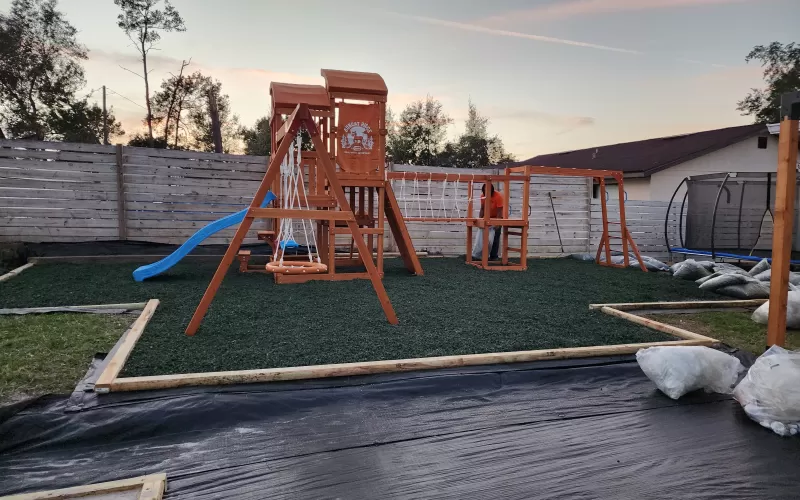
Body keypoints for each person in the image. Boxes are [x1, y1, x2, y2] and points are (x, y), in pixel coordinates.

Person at [479, 182, 504, 260]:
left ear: (492, 190)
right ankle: (481, 255)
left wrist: (498, 223)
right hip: (487, 218)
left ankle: (494, 256)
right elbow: (482, 208)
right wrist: (480, 220)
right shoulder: (482, 196)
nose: (486, 192)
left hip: (497, 217)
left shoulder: (498, 196)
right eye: (485, 190)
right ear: (483, 191)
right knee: (484, 238)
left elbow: (500, 211)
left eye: (488, 190)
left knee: (496, 237)